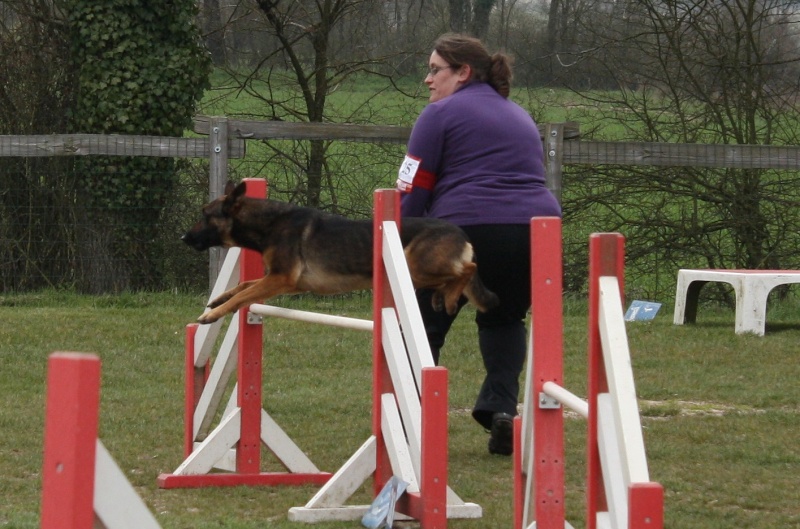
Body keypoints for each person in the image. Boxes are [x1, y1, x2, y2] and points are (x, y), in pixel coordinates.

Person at [396, 33, 561, 456]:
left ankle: (410, 417)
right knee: (504, 319)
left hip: (463, 228)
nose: (427, 81)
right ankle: (501, 411)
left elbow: (415, 188)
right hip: (533, 230)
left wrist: (399, 238)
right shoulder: (520, 115)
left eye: (435, 70)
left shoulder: (438, 114)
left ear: (463, 72)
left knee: (423, 322)